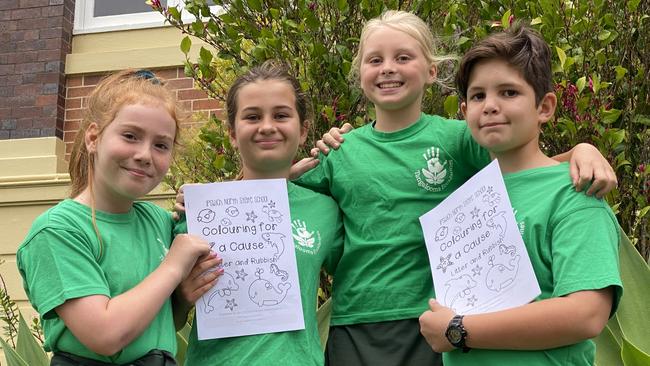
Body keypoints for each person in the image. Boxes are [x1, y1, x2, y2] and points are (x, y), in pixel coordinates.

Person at [294, 10, 618, 366]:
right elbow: (291, 208)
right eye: (375, 59)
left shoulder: (459, 139)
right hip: (357, 323)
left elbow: (526, 165)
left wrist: (583, 151)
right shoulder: (339, 152)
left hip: (432, 321)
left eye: (403, 57)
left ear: (432, 71)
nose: (388, 67)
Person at [418, 23, 622, 365]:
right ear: (465, 111)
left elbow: (587, 313)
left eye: (509, 93)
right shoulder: (464, 203)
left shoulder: (575, 193)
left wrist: (458, 330)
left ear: (544, 107)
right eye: (478, 95)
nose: (490, 106)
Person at [16, 70, 221, 366]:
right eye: (130, 136)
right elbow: (105, 334)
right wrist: (175, 266)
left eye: (161, 145)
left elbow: (158, 325)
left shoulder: (159, 222)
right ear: (93, 138)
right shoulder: (58, 231)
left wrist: (182, 299)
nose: (144, 154)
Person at [173, 60, 344, 366]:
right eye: (252, 116)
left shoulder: (325, 209)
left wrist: (353, 151)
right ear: (232, 134)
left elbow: (362, 276)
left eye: (281, 115)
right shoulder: (198, 211)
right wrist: (183, 297)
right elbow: (167, 320)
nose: (267, 126)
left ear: (303, 130)